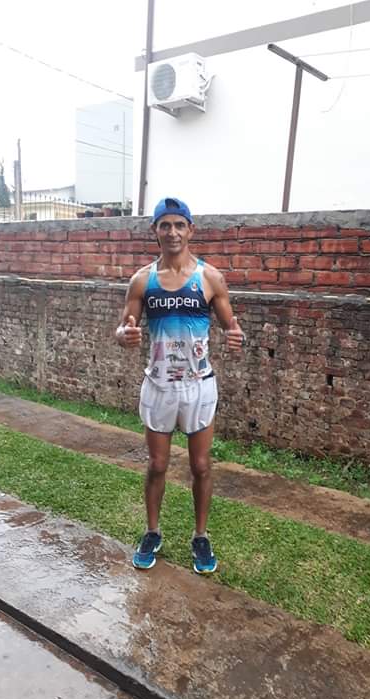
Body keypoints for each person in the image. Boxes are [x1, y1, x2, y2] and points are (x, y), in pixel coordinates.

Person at [116, 197, 245, 574]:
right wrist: (124, 335)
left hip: (198, 386)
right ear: (155, 230)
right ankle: (152, 532)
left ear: (190, 230)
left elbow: (231, 326)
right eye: (165, 225)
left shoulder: (210, 278)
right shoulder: (142, 280)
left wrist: (236, 337)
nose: (172, 232)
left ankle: (200, 536)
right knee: (157, 464)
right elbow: (122, 327)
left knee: (201, 465)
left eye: (179, 225)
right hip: (159, 386)